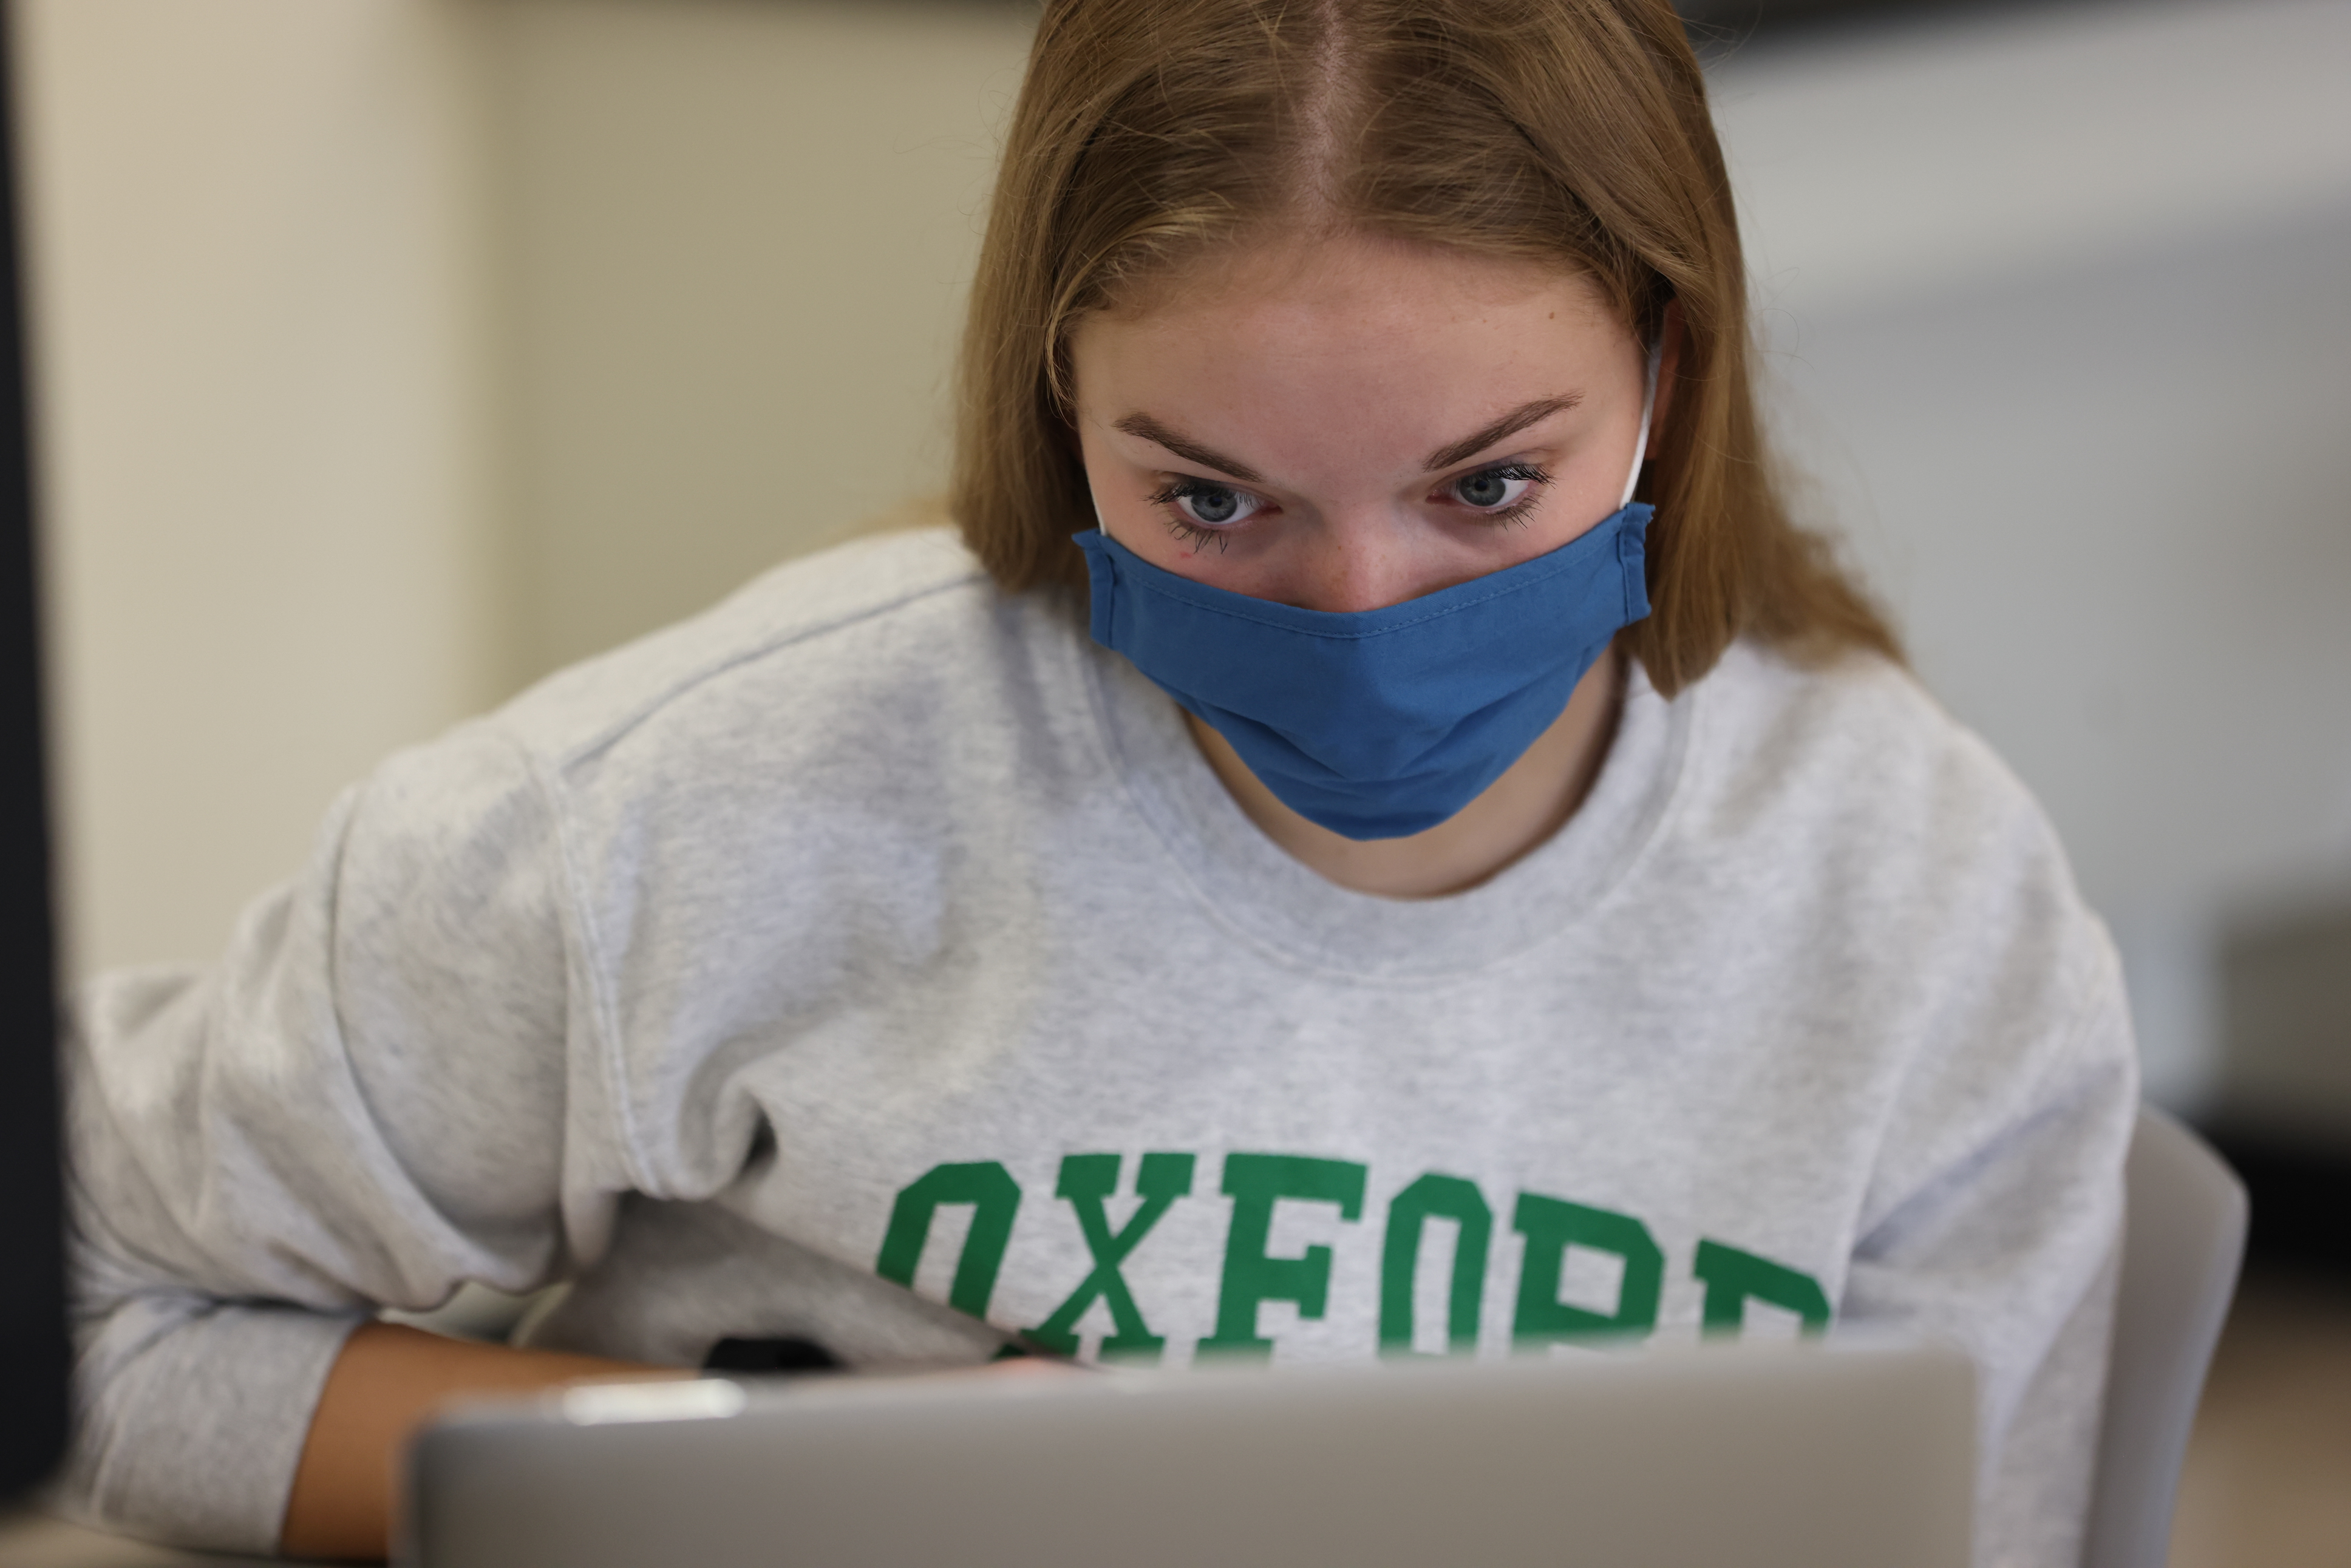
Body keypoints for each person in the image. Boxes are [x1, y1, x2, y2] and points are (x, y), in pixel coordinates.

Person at [60, 0, 2135, 1563]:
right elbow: (79, 1293)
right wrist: (787, 1497)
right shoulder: (709, 808)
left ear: (1670, 371)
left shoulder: (1925, 908)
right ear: (1060, 411)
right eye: (1212, 498)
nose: (1361, 610)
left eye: (1489, 484)